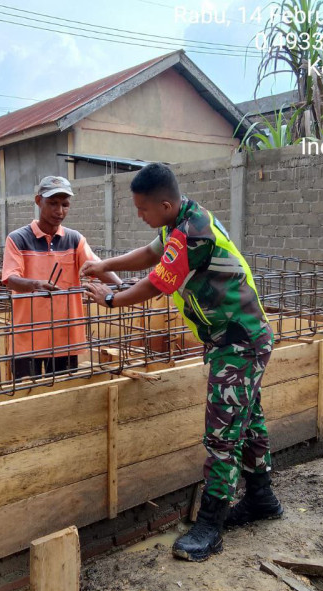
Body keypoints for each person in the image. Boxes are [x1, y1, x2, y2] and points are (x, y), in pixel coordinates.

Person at [81, 163, 281, 562]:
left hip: (239, 343)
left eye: (142, 209)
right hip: (236, 339)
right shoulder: (179, 222)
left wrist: (109, 298)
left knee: (222, 436)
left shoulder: (192, 233)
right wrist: (107, 265)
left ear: (166, 203)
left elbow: (157, 281)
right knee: (248, 421)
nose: (140, 215)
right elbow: (152, 253)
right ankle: (262, 499)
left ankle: (210, 524)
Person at [2, 175, 121, 380]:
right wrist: (36, 284)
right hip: (27, 337)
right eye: (53, 203)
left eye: (65, 204)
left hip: (65, 336)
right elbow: (10, 278)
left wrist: (122, 285)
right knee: (26, 396)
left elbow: (97, 267)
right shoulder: (18, 239)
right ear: (39, 201)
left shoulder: (74, 240)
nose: (59, 211)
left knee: (64, 396)